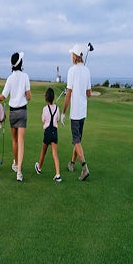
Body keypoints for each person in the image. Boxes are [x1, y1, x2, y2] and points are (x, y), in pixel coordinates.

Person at [0, 52, 31, 182]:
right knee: (21, 140)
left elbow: (3, 96)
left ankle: (16, 163)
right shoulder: (25, 76)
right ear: (20, 63)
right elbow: (28, 97)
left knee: (14, 140)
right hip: (22, 111)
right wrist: (24, 95)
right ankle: (19, 171)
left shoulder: (10, 78)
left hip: (13, 112)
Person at [61, 43, 91, 181]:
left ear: (75, 56)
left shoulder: (71, 71)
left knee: (76, 140)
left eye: (72, 54)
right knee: (77, 140)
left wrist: (63, 112)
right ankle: (72, 164)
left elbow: (68, 94)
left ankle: (84, 168)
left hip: (75, 113)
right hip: (83, 112)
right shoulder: (87, 71)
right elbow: (89, 94)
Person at [35, 87, 62, 182]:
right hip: (54, 132)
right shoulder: (57, 108)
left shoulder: (45, 109)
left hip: (47, 132)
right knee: (55, 153)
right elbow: (57, 119)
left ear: (46, 97)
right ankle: (58, 174)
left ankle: (39, 168)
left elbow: (43, 120)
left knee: (43, 152)